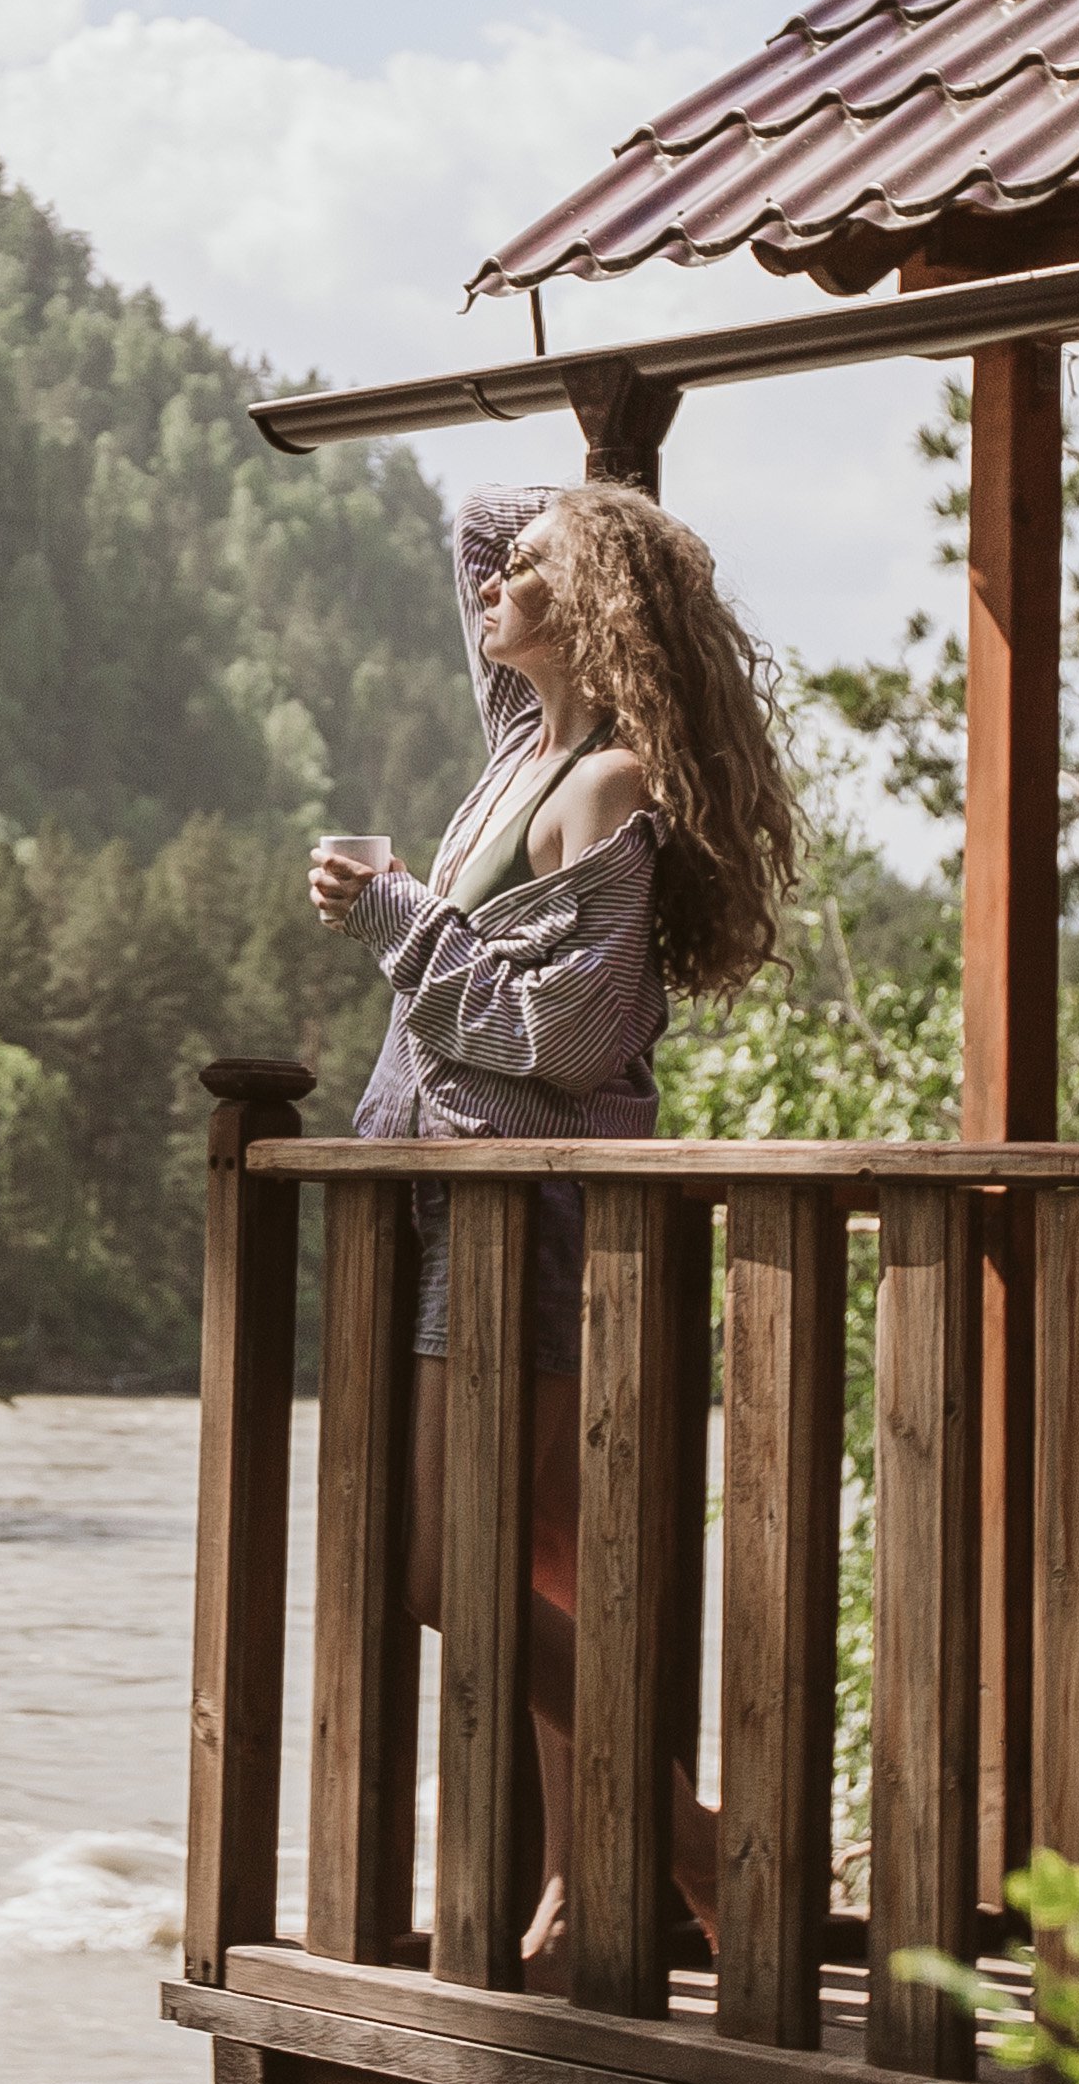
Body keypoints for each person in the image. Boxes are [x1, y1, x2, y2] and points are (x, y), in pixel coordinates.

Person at [308, 481, 798, 1987]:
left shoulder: (604, 784)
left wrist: (395, 913)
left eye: (530, 575)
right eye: (505, 573)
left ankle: (701, 1844)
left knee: (444, 1565)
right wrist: (576, 535)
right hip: (451, 1203)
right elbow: (478, 523)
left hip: (516, 1219)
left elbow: (563, 1035)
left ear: (587, 612)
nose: (491, 585)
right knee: (524, 1555)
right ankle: (596, 1887)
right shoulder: (530, 748)